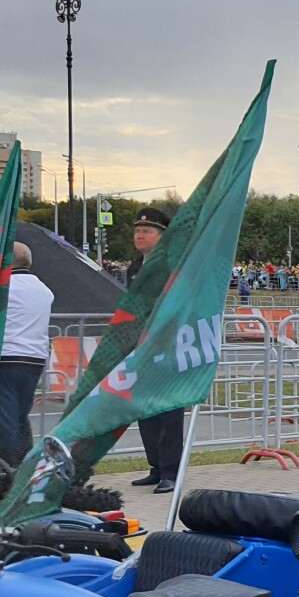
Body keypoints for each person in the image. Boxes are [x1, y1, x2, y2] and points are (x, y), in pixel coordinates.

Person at [127, 208, 186, 492]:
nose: (140, 235)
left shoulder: (173, 265)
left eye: (147, 231)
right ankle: (156, 466)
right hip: (142, 348)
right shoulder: (134, 268)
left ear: (162, 237)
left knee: (168, 411)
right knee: (145, 410)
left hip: (169, 345)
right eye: (138, 230)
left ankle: (171, 471)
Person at [0, 243, 53, 468]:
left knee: (6, 421)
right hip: (33, 360)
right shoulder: (43, 290)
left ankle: (9, 470)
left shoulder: (6, 288)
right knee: (21, 417)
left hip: (7, 358)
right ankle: (25, 464)